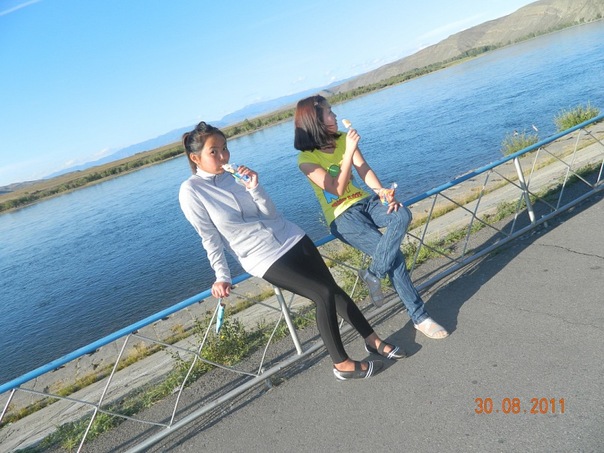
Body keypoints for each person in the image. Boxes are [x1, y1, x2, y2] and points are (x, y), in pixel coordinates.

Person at [179, 121, 405, 381]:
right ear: (195, 158)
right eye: (214, 152)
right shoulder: (191, 191)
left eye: (224, 148)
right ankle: (341, 364)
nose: (223, 156)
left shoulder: (235, 177)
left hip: (291, 236)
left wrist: (254, 187)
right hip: (261, 256)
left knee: (333, 290)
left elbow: (270, 214)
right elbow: (209, 237)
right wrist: (222, 276)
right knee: (322, 294)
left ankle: (372, 340)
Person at [293, 95, 448, 340]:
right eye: (329, 112)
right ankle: (420, 318)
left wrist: (382, 192)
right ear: (316, 121)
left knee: (401, 214)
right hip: (342, 218)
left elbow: (363, 168)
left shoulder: (343, 138)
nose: (335, 115)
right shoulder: (306, 159)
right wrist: (348, 151)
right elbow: (335, 188)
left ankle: (373, 273)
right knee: (394, 259)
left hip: (366, 202)